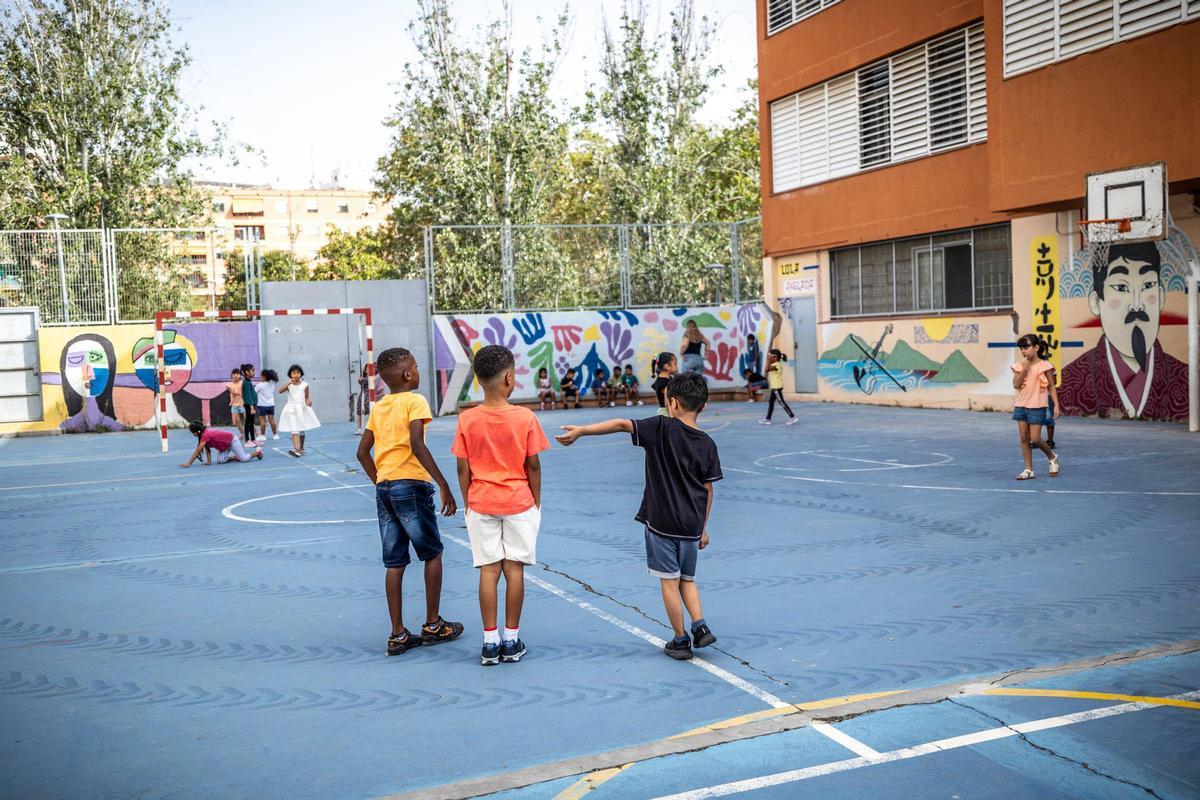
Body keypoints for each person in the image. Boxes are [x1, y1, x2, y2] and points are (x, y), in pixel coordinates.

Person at [556, 373, 721, 660]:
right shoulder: (707, 444)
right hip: (692, 526)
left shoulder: (660, 427)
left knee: (669, 582)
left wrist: (582, 430)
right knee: (688, 580)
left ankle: (680, 639)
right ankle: (700, 624)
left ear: (671, 402)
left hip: (661, 523)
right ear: (703, 407)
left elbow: (622, 424)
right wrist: (703, 528)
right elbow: (708, 490)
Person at [355, 347, 463, 657]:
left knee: (394, 561)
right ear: (407, 374)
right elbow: (417, 444)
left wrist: (381, 482)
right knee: (432, 553)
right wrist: (443, 484)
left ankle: (398, 634)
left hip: (385, 487)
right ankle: (432, 623)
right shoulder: (415, 401)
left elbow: (362, 453)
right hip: (412, 486)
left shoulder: (379, 407)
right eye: (415, 367)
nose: (417, 372)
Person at [451, 345, 551, 666]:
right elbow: (532, 465)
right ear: (509, 378)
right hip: (519, 502)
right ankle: (511, 638)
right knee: (515, 568)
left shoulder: (467, 419)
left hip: (481, 503)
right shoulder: (524, 417)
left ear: (479, 380)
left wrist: (468, 501)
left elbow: (462, 467)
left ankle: (489, 641)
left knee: (488, 569)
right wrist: (535, 500)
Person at [1058, 242, 1187, 420]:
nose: (1136, 305)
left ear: (1161, 297)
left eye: (1147, 285)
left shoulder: (1186, 379)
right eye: (1121, 288)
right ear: (1096, 302)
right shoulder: (1070, 383)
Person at [1011, 334, 1060, 480]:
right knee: (1023, 438)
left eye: (1026, 347)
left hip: (1037, 405)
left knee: (1035, 438)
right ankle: (1028, 470)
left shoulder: (1046, 366)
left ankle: (1052, 457)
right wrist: (1025, 370)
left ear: (1036, 347)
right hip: (1021, 405)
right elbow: (1016, 384)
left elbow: (1051, 386)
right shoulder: (1020, 366)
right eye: (1021, 349)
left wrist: (1056, 404)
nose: (1023, 351)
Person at [277, 364, 321, 457]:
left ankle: (301, 448)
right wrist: (289, 383)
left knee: (302, 429)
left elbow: (306, 397)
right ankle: (296, 449)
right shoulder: (289, 385)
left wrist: (308, 401)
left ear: (301, 374)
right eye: (294, 373)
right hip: (291, 409)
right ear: (290, 375)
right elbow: (279, 391)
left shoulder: (305, 385)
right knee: (294, 429)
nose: (296, 375)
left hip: (301, 408)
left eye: (298, 373)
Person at [179, 421, 262, 468]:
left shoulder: (205, 435)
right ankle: (237, 457)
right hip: (225, 446)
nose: (192, 434)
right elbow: (207, 449)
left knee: (244, 459)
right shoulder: (202, 436)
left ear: (197, 432)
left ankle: (257, 452)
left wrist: (189, 463)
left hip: (232, 441)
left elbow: (197, 451)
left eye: (192, 432)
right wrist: (209, 461)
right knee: (220, 461)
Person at [761, 349, 797, 426]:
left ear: (775, 358)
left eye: (771, 357)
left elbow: (766, 369)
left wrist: (768, 360)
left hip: (776, 388)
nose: (769, 358)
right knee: (771, 402)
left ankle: (792, 417)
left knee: (781, 402)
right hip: (774, 388)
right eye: (769, 356)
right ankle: (768, 419)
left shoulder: (776, 365)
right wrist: (770, 359)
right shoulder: (775, 364)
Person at [255, 369, 279, 440]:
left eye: (261, 376)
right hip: (271, 405)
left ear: (264, 377)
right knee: (272, 420)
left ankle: (262, 435)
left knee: (263, 420)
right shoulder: (272, 383)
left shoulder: (259, 385)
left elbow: (254, 392)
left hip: (262, 405)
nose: (260, 377)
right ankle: (275, 435)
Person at [651, 352, 678, 416]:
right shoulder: (666, 383)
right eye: (675, 364)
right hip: (667, 412)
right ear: (667, 366)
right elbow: (667, 402)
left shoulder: (659, 380)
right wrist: (672, 416)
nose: (677, 366)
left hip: (662, 411)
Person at [355, 364, 379, 435]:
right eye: (367, 369)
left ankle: (372, 427)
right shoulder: (363, 378)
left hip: (372, 396)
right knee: (359, 411)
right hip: (363, 396)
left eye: (371, 368)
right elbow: (360, 381)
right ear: (365, 370)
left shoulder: (376, 377)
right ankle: (359, 428)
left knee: (370, 412)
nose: (370, 370)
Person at [240, 364, 259, 445]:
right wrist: (251, 407)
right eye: (252, 371)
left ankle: (253, 439)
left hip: (252, 405)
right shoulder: (246, 383)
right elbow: (247, 396)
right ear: (247, 372)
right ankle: (247, 440)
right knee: (248, 422)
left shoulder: (248, 381)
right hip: (249, 405)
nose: (254, 372)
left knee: (251, 422)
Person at [1043, 363, 1057, 449]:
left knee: (1048, 417)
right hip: (1035, 397)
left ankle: (1050, 440)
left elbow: (1054, 382)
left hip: (1047, 396)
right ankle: (1035, 440)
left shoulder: (1049, 366)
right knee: (1035, 419)